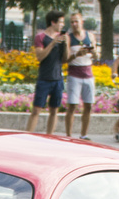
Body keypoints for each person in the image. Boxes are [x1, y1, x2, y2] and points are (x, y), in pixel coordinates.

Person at [26, 10, 69, 134]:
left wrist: (65, 44)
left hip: (58, 78)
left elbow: (65, 59)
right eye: (60, 22)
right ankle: (28, 134)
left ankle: (50, 135)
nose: (62, 25)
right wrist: (52, 43)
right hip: (44, 78)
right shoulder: (41, 37)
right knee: (36, 110)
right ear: (53, 22)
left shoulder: (63, 38)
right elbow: (39, 56)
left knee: (54, 110)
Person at [63, 11, 97, 139]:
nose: (74, 24)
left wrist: (93, 52)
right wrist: (77, 54)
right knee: (72, 105)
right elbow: (65, 58)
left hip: (88, 73)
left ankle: (84, 134)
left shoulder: (90, 36)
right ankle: (68, 135)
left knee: (88, 105)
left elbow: (96, 54)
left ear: (81, 22)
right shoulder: (69, 37)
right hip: (74, 74)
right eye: (72, 22)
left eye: (76, 21)